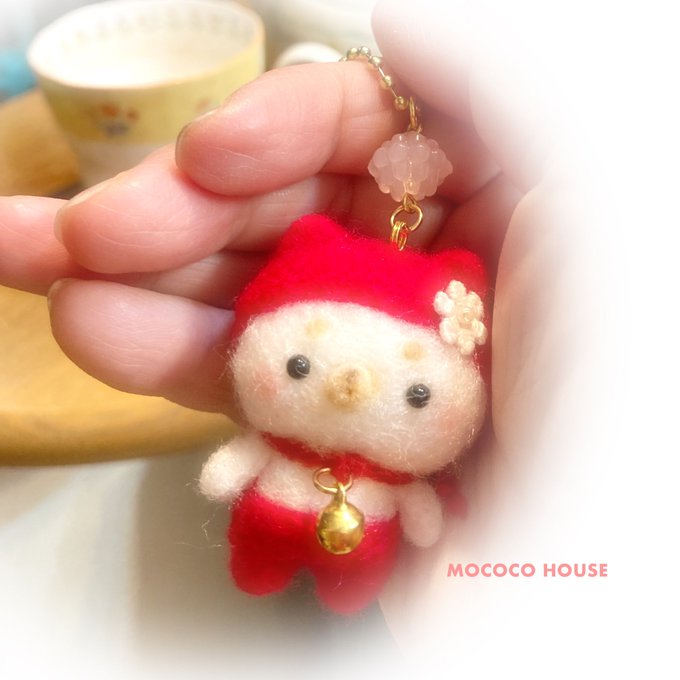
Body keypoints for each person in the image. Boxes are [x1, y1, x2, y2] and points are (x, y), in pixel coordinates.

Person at [0, 1, 674, 676]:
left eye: (416, 394)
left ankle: (335, 588)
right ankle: (265, 571)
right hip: (310, 522)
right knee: (258, 559)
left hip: (390, 545)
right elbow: (231, 468)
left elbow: (419, 511)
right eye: (298, 364)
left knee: (347, 590)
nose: (351, 392)